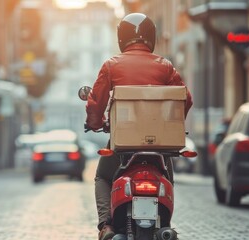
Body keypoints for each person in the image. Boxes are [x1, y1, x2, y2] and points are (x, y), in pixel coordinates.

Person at [84, 13, 193, 240]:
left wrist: (94, 124)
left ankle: (106, 226)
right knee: (167, 176)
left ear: (121, 38)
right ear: (151, 37)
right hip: (160, 146)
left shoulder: (112, 65)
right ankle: (165, 221)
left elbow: (96, 102)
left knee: (102, 178)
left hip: (122, 142)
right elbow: (186, 99)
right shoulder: (165, 66)